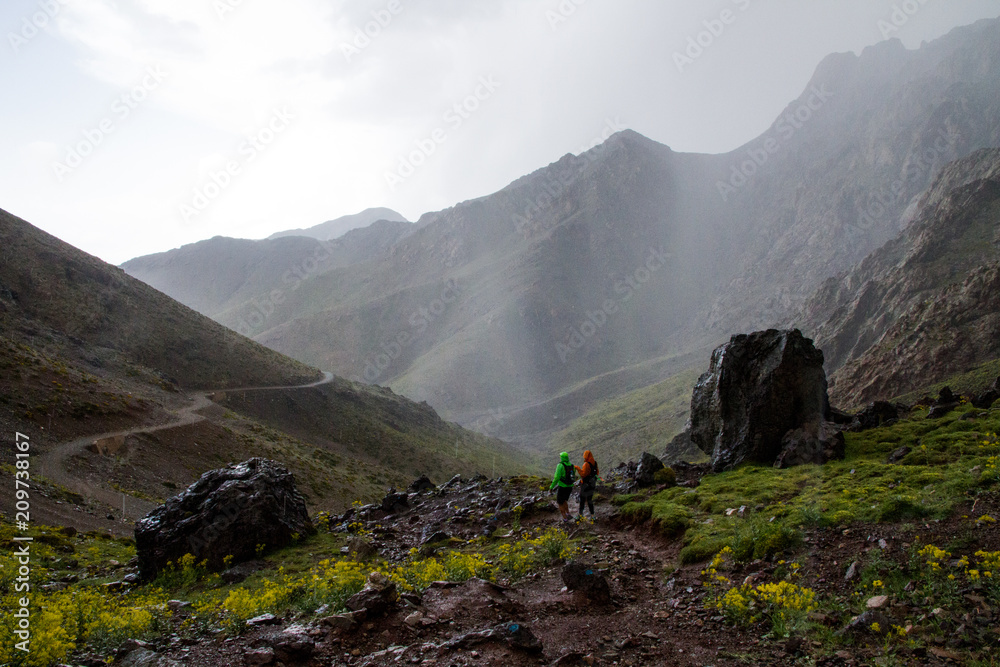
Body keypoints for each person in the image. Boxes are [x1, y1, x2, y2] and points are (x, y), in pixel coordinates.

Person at [549, 451, 575, 522]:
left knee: (560, 502)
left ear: (562, 458)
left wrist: (551, 487)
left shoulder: (560, 465)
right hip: (570, 487)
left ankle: (565, 518)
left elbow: (556, 478)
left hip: (562, 487)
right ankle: (568, 513)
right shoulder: (571, 465)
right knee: (564, 500)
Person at [575, 450, 600, 519]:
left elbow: (583, 474)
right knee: (589, 499)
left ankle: (580, 515)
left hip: (585, 484)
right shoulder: (595, 463)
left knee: (582, 499)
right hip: (592, 484)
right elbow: (597, 473)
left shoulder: (586, 464)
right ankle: (592, 515)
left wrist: (577, 468)